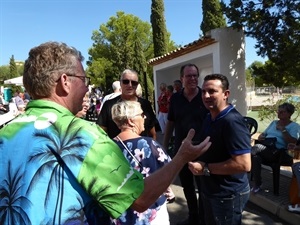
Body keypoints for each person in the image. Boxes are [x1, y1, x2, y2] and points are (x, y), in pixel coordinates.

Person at [0, 41, 211, 224]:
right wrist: (181, 157)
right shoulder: (79, 134)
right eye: (84, 79)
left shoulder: (6, 133)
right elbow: (140, 199)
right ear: (65, 82)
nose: (85, 88)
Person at [188, 73, 252, 225]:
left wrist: (205, 169)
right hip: (210, 189)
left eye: (212, 91)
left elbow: (244, 164)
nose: (206, 95)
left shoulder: (232, 122)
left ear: (226, 94)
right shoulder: (209, 117)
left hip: (227, 194)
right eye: (203, 91)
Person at [111, 101, 175, 225]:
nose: (144, 117)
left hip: (122, 214)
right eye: (141, 114)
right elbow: (169, 171)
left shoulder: (108, 147)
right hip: (152, 211)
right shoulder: (149, 144)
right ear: (130, 121)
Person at [163, 63, 209, 225]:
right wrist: (165, 144)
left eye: (195, 75)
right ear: (182, 78)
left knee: (203, 187)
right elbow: (171, 122)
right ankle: (194, 217)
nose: (193, 78)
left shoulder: (204, 97)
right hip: (181, 151)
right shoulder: (176, 98)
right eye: (189, 76)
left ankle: (204, 218)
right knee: (187, 186)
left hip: (202, 151)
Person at [251, 103, 300, 193]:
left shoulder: (294, 126)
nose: (279, 113)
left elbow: (293, 142)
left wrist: (283, 130)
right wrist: (261, 136)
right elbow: (262, 135)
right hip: (266, 149)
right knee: (255, 157)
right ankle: (258, 184)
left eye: (282, 111)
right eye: (278, 111)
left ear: (289, 114)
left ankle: (240, 169)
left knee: (255, 148)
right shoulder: (273, 123)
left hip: (280, 153)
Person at [97, 69, 157, 140]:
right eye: (126, 82)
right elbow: (101, 133)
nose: (130, 85)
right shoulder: (109, 105)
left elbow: (153, 133)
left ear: (137, 85)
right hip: (116, 150)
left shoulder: (145, 105)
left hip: (142, 149)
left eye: (134, 83)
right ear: (120, 84)